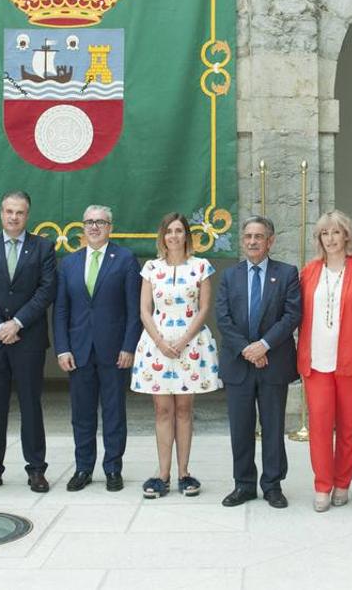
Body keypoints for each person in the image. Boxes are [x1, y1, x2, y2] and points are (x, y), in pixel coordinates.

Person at [0, 190, 57, 494]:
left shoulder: (43, 247)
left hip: (27, 339)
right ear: (1, 213)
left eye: (19, 212)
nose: (13, 217)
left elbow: (46, 291)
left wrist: (17, 323)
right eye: (8, 211)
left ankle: (36, 470)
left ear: (27, 215)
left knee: (31, 405)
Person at [131, 212, 222, 498]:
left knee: (184, 409)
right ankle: (162, 474)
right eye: (169, 231)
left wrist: (183, 340)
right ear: (163, 236)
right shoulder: (151, 268)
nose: (174, 236)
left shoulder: (201, 267)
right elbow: (145, 310)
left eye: (179, 230)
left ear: (187, 235)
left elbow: (204, 307)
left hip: (190, 345)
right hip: (157, 344)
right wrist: (159, 341)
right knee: (162, 410)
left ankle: (184, 473)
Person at [54, 205, 142, 493]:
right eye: (89, 222)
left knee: (114, 412)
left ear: (110, 227)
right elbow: (61, 311)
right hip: (78, 351)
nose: (94, 227)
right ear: (83, 226)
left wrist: (129, 346)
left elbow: (134, 310)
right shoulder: (68, 263)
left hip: (114, 351)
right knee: (82, 413)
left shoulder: (126, 259)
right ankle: (83, 468)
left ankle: (113, 468)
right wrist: (62, 348)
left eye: (100, 222)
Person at [215, 215, 301, 508]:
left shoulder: (288, 273)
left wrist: (263, 346)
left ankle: (273, 485)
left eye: (259, 236)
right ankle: (244, 484)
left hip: (273, 362)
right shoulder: (230, 275)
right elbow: (223, 319)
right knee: (241, 427)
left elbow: (292, 316)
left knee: (274, 426)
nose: (252, 241)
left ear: (270, 241)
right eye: (248, 236)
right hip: (238, 364)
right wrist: (247, 350)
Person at [298, 210, 352, 512]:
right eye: (324, 234)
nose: (330, 239)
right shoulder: (309, 271)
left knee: (348, 427)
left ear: (347, 235)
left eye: (335, 232)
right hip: (316, 361)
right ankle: (322, 484)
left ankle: (343, 482)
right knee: (318, 424)